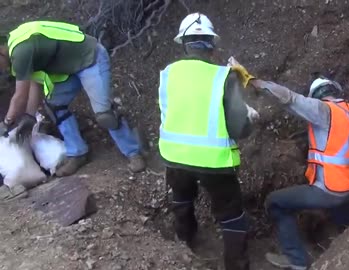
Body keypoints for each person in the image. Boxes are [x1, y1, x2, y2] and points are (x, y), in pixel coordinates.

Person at [250, 77, 349, 270]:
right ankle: (346, 237)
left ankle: (296, 260)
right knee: (342, 206)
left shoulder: (323, 110)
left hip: (329, 191)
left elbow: (289, 98)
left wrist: (255, 82)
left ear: (316, 96)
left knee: (275, 202)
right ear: (336, 91)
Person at [158, 13, 258, 270]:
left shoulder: (168, 74)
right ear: (212, 45)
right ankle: (236, 265)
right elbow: (238, 126)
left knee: (182, 197)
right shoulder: (225, 77)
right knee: (231, 213)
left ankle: (185, 241)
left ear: (184, 44)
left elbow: (167, 112)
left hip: (176, 155)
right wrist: (249, 123)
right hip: (214, 160)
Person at [0, 21, 146, 176]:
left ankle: (134, 152)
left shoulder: (20, 52)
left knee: (105, 115)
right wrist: (29, 116)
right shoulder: (16, 47)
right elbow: (35, 85)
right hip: (68, 70)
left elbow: (19, 97)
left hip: (90, 58)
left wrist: (7, 123)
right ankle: (77, 153)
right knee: (55, 107)